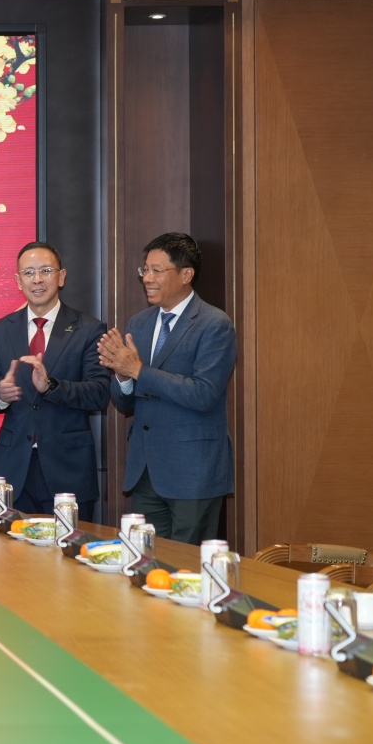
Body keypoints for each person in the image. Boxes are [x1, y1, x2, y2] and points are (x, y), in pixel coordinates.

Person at [98, 232, 236, 543]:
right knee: (147, 560)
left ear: (186, 274)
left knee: (187, 565)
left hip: (193, 471)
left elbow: (203, 394)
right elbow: (125, 403)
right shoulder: (139, 323)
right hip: (146, 470)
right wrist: (122, 376)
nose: (147, 278)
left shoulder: (214, 324)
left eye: (157, 270)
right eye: (145, 270)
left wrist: (138, 371)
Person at [0, 241, 111, 518]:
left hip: (68, 469)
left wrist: (52, 386)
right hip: (14, 469)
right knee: (10, 545)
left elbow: (100, 393)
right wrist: (0, 395)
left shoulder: (89, 329)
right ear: (18, 281)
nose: (37, 279)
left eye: (46, 271)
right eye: (29, 273)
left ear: (61, 276)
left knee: (68, 544)